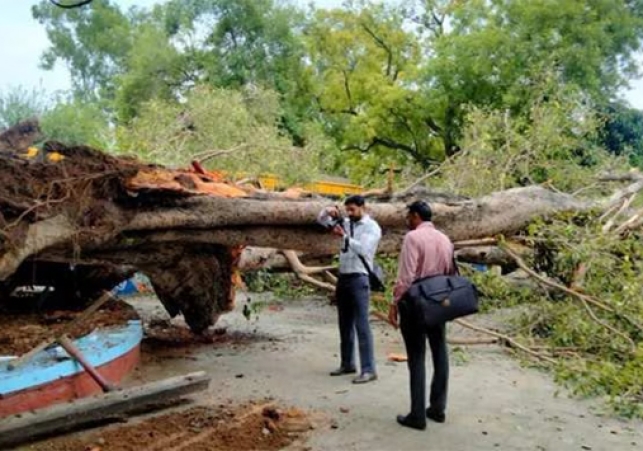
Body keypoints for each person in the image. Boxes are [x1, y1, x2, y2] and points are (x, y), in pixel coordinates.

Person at [388, 200, 456, 430]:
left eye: (408, 215)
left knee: (416, 358)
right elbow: (451, 272)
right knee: (440, 353)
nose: (407, 220)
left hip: (416, 303)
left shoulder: (413, 238)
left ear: (415, 216)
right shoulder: (445, 239)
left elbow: (406, 277)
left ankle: (417, 415)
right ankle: (437, 409)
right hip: (439, 302)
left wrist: (394, 303)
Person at [317, 195, 382, 384]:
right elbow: (321, 221)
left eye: (353, 209)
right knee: (344, 323)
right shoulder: (346, 222)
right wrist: (327, 211)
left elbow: (364, 249)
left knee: (362, 324)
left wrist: (344, 237)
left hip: (359, 277)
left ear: (363, 207)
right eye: (347, 210)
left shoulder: (372, 228)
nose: (349, 213)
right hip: (343, 276)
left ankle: (369, 369)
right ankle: (347, 363)